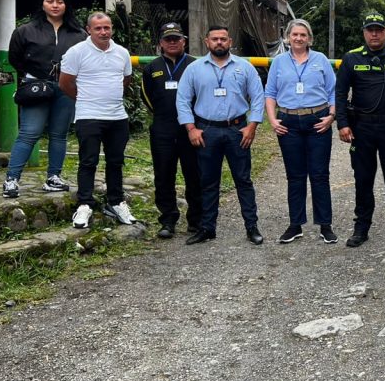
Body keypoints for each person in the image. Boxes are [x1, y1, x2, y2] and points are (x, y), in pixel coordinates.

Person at [176, 25, 265, 246]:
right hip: (207, 131)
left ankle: (252, 227)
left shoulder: (244, 67)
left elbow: (258, 97)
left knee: (243, 180)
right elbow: (183, 99)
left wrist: (252, 125)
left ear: (230, 41)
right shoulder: (195, 69)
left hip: (237, 130)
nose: (219, 42)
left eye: (223, 39)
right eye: (214, 39)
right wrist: (191, 129)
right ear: (206, 42)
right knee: (208, 181)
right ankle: (207, 228)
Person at [335, 12, 385, 248]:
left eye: (378, 29)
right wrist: (342, 123)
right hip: (362, 127)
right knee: (363, 179)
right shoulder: (351, 58)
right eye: (370, 29)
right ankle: (361, 227)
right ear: (364, 32)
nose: (374, 33)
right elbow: (340, 94)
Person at [2, 0, 85, 198]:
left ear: (66, 4)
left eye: (59, 1)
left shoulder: (78, 33)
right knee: (29, 133)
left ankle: (53, 177)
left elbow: (84, 60)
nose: (55, 5)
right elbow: (15, 58)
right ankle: (11, 179)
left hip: (66, 88)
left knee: (59, 134)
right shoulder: (25, 30)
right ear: (42, 4)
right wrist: (34, 74)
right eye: (50, 1)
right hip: (36, 86)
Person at [58, 12, 136, 229]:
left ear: (112, 29)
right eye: (98, 28)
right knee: (88, 161)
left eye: (107, 28)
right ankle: (84, 203)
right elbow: (65, 83)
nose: (103, 32)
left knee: (115, 161)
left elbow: (126, 80)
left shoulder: (121, 52)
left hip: (117, 117)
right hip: (88, 116)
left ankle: (116, 201)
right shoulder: (76, 52)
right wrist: (86, 99)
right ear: (89, 29)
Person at [265, 18, 338, 245]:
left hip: (318, 121)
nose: (298, 38)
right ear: (288, 37)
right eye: (294, 34)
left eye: (303, 35)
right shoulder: (278, 62)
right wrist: (272, 120)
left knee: (319, 175)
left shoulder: (321, 61)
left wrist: (332, 116)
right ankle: (295, 225)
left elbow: (333, 91)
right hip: (288, 122)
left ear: (309, 39)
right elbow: (270, 93)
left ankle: (325, 225)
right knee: (295, 176)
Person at [140, 21, 202, 239]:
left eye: (177, 38)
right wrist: (162, 116)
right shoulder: (152, 67)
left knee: (194, 174)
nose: (173, 42)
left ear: (184, 41)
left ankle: (195, 220)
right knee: (164, 175)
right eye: (168, 39)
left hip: (191, 129)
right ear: (161, 43)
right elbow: (146, 96)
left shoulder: (195, 65)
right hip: (163, 128)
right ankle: (167, 219)